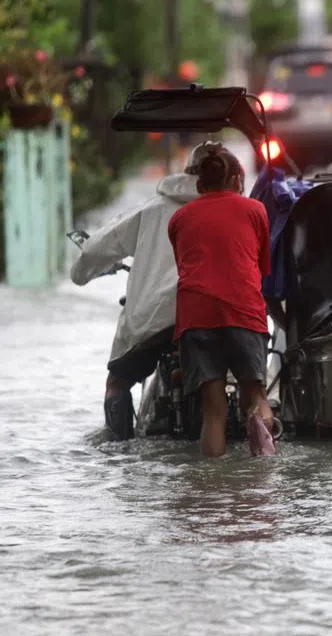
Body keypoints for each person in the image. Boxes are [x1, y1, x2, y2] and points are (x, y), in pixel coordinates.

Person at [71, 142, 221, 440]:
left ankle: (119, 452)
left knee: (118, 382)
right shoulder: (233, 210)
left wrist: (79, 276)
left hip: (154, 319)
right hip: (214, 318)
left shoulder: (152, 209)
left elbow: (98, 248)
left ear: (187, 171)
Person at [168, 146, 276, 457]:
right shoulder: (255, 210)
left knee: (213, 412)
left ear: (199, 185)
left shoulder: (179, 218)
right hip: (243, 312)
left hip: (196, 316)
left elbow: (185, 267)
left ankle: (212, 488)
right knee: (255, 396)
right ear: (236, 180)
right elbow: (262, 269)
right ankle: (265, 476)